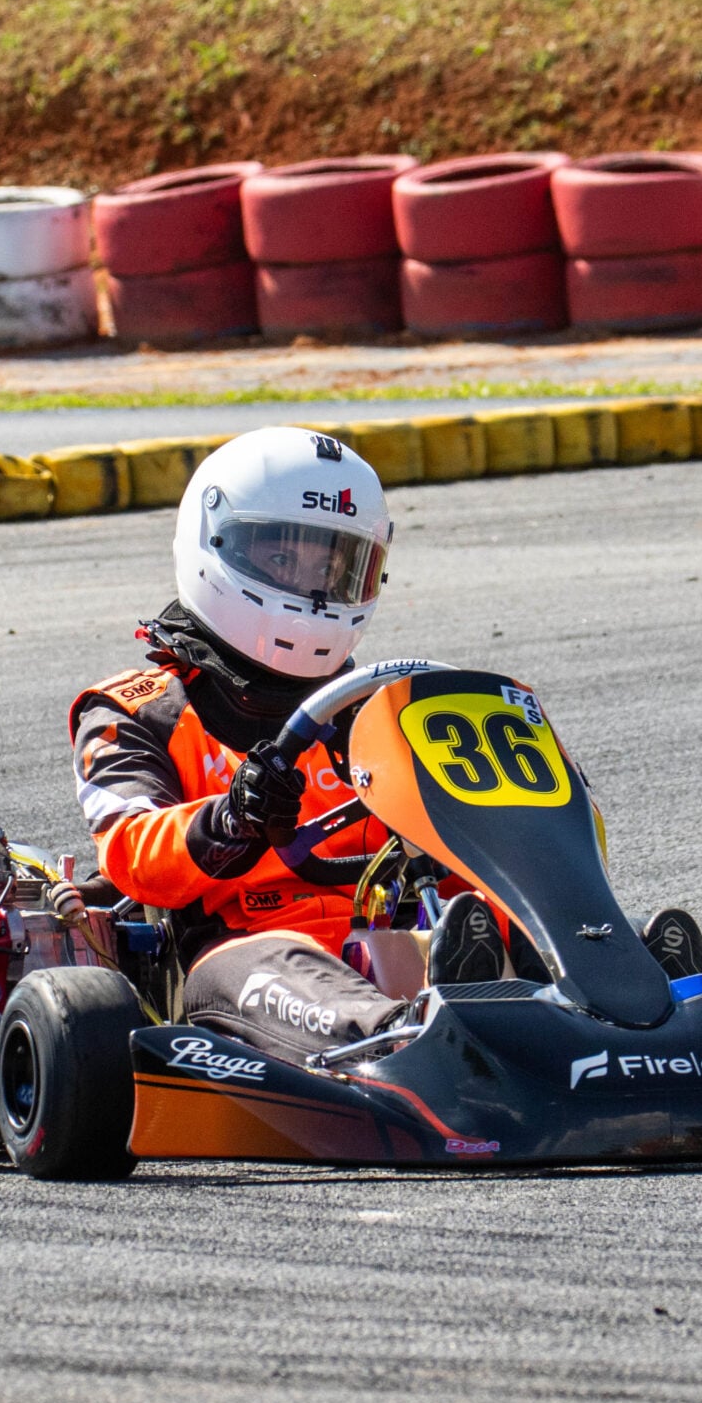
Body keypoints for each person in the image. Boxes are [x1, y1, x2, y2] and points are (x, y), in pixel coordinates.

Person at [66, 426, 511, 1063]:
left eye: (333, 565)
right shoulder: (138, 709)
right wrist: (228, 817)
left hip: (403, 938)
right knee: (281, 964)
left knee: (498, 907)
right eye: (283, 561)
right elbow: (129, 854)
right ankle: (413, 1040)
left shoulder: (385, 704)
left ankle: (618, 993)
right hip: (243, 954)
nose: (313, 588)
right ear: (215, 543)